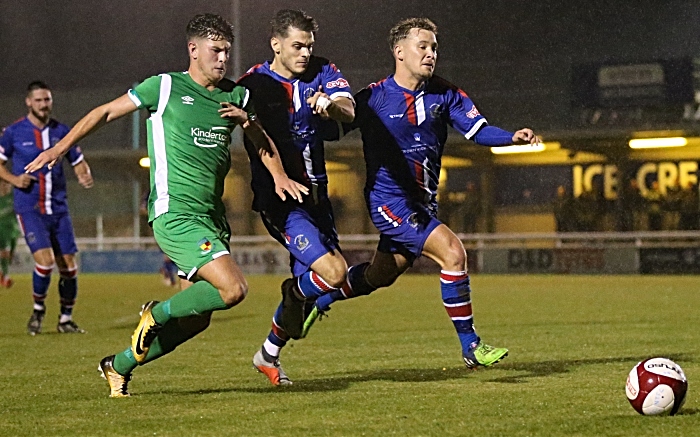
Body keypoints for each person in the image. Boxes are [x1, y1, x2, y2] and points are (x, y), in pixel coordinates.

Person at [25, 13, 307, 398]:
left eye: (227, 51)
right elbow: (104, 112)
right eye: (215, 51)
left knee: (196, 322)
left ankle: (117, 365)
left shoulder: (236, 95)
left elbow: (259, 139)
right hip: (175, 214)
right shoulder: (164, 87)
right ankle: (154, 313)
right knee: (233, 290)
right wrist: (59, 148)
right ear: (193, 50)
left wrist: (276, 172)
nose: (223, 59)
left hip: (212, 218)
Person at [304, 17, 539, 370]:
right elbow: (334, 128)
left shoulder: (446, 94)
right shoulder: (373, 98)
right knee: (452, 253)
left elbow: (479, 131)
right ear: (399, 52)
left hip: (422, 204)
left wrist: (511, 138)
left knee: (379, 275)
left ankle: (321, 299)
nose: (431, 55)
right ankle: (471, 346)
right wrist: (321, 108)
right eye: (423, 47)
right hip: (388, 201)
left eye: (434, 49)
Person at [237, 9, 361, 386]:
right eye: (297, 45)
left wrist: (329, 106)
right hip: (280, 201)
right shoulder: (253, 84)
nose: (305, 53)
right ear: (276, 44)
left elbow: (350, 109)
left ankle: (268, 355)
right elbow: (247, 131)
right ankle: (294, 293)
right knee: (334, 273)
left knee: (310, 302)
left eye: (309, 45)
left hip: (318, 199)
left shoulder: (323, 71)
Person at [0, 81, 94, 334]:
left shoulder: (62, 131)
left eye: (47, 100)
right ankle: (38, 311)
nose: (44, 104)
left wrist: (84, 173)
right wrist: (14, 179)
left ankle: (65, 319)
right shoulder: (13, 132)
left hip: (59, 209)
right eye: (39, 100)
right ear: (29, 102)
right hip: (29, 208)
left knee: (69, 267)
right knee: (45, 262)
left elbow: (78, 160)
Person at [0, 179, 20, 287]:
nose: (6, 187)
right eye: (4, 185)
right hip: (1, 230)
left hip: (14, 230)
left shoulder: (14, 198)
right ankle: (6, 278)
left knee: (10, 256)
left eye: (8, 185)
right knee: (5, 252)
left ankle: (3, 273)